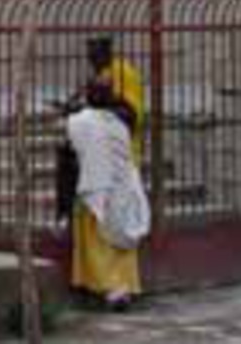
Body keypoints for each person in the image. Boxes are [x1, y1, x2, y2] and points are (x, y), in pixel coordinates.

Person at [63, 37, 150, 308]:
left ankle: (119, 286)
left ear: (108, 52)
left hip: (119, 159)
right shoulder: (100, 76)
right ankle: (92, 283)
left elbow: (134, 115)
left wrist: (99, 107)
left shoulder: (124, 73)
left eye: (95, 53)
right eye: (88, 53)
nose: (91, 58)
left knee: (115, 222)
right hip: (92, 160)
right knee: (91, 221)